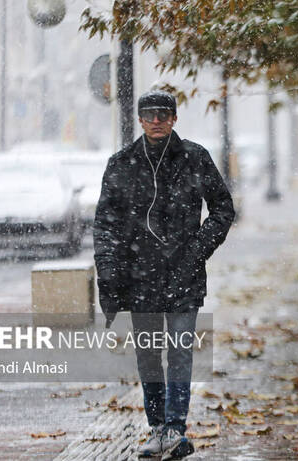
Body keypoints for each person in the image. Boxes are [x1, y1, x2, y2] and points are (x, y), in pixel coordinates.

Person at [94, 90, 235, 459]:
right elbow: (105, 223)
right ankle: (157, 427)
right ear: (140, 119)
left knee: (180, 351)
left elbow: (222, 208)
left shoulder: (194, 158)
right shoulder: (122, 164)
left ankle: (175, 427)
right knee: (148, 355)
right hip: (139, 277)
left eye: (163, 114)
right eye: (149, 114)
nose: (156, 120)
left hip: (183, 276)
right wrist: (108, 269)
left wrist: (196, 249)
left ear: (174, 118)